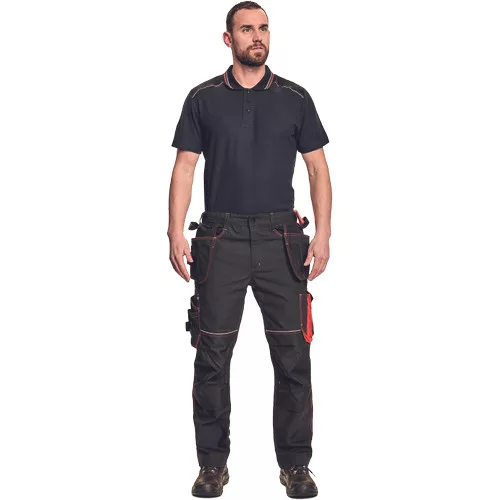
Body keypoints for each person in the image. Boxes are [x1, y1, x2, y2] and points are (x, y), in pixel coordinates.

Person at [169, 2, 331, 497]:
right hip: (219, 239)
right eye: (246, 29)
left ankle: (296, 465)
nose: (257, 36)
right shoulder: (202, 98)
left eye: (263, 28)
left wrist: (323, 234)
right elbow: (185, 166)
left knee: (293, 357)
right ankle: (212, 465)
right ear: (229, 39)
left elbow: (318, 168)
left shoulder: (295, 98)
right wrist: (175, 232)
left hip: (283, 238)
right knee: (212, 356)